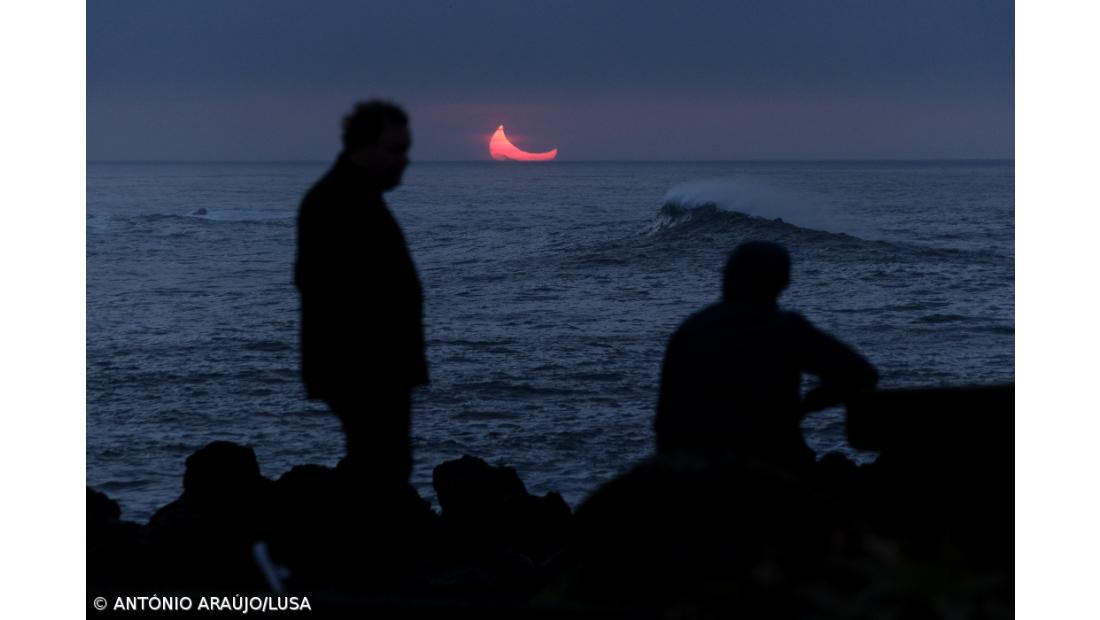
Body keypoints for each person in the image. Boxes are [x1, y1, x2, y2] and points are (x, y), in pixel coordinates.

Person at [654, 241, 878, 472]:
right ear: (783, 283)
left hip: (686, 469)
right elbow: (862, 374)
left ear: (728, 277)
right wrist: (807, 405)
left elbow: (663, 421)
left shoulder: (690, 329)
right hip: (768, 465)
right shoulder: (782, 328)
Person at [294, 100, 427, 482]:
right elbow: (329, 293)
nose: (405, 161)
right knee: (381, 474)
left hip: (373, 372)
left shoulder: (355, 199)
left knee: (379, 469)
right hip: (366, 373)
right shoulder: (337, 202)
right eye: (396, 150)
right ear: (364, 148)